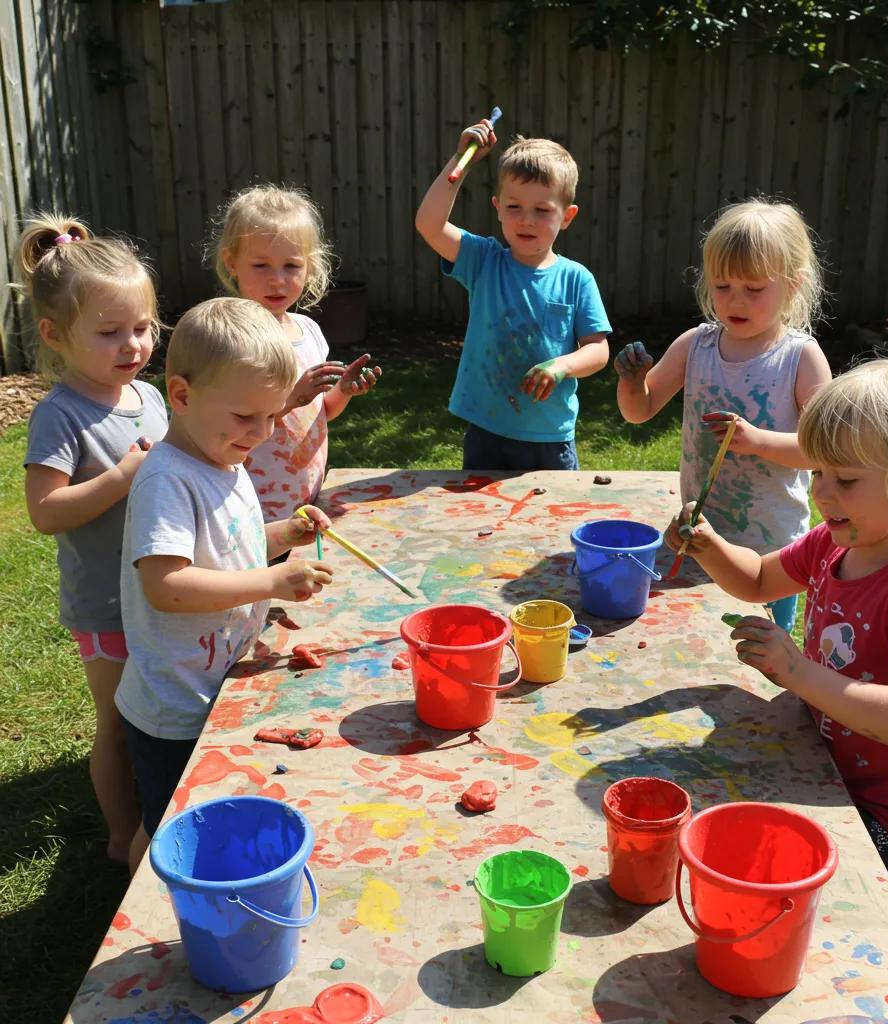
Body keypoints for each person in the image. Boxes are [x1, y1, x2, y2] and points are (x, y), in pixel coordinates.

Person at [670, 359, 888, 885]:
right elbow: (758, 580)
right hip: (826, 768)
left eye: (847, 480)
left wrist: (796, 671)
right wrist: (710, 547)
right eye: (817, 472)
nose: (822, 493)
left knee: (761, 865)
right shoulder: (832, 544)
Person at [115, 298, 335, 873]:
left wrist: (285, 533)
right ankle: (137, 901)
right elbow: (167, 585)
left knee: (201, 811)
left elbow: (229, 546)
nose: (262, 433)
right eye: (246, 417)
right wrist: (271, 581)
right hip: (176, 701)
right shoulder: (168, 479)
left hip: (216, 679)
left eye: (273, 416)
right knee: (165, 824)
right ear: (182, 395)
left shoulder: (224, 458)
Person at [21, 214, 168, 864]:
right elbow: (45, 511)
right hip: (106, 603)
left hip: (158, 589)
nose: (132, 344)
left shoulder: (149, 397)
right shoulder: (61, 415)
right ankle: (119, 834)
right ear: (55, 335)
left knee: (154, 710)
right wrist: (121, 478)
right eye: (110, 333)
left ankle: (158, 808)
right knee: (116, 724)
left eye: (143, 327)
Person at [615, 198, 832, 630]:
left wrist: (757, 441)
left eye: (753, 289)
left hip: (771, 556)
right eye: (722, 286)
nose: (735, 300)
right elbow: (639, 411)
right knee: (698, 640)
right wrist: (632, 383)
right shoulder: (695, 346)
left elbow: (826, 451)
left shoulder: (800, 359)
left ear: (792, 286)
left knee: (760, 649)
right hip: (700, 539)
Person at [415, 118, 611, 471]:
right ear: (497, 207)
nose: (526, 220)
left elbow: (598, 350)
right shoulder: (483, 260)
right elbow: (429, 224)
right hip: (487, 431)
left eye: (542, 210)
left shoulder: (576, 279)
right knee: (482, 509)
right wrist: (461, 161)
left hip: (550, 438)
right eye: (514, 207)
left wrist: (563, 365)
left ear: (567, 216)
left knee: (552, 509)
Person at [211, 184, 381, 521]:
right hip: (253, 507)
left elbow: (319, 413)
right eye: (261, 266)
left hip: (306, 497)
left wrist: (343, 391)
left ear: (309, 267)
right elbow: (224, 429)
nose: (277, 280)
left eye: (291, 266)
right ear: (232, 263)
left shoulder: (309, 330)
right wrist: (292, 398)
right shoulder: (233, 337)